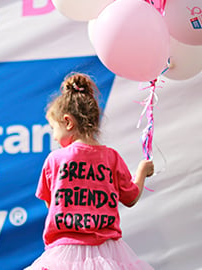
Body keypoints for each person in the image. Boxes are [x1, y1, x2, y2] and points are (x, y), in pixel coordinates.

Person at [25, 72, 155, 270]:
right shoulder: (111, 157)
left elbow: (51, 205)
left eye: (53, 128)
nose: (53, 137)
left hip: (65, 252)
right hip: (109, 250)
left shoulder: (55, 160)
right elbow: (131, 197)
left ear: (68, 122)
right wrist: (142, 171)